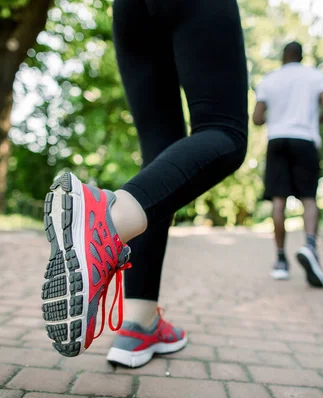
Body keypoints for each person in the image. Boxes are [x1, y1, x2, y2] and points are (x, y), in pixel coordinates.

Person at [41, 0, 248, 368]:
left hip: (130, 10)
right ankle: (109, 220)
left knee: (160, 157)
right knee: (224, 132)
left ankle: (140, 320)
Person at [252, 41, 323, 288]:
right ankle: (310, 246)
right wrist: (313, 120)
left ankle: (280, 260)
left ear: (282, 56)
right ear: (301, 56)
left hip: (277, 140)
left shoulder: (269, 79)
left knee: (278, 202)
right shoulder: (316, 76)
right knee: (308, 199)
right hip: (305, 139)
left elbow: (257, 119)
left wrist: (276, 117)